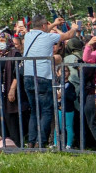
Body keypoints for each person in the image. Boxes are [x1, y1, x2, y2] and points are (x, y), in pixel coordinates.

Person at [20, 15, 77, 147]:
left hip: (28, 77)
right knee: (46, 111)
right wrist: (74, 28)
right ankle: (41, 142)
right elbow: (68, 36)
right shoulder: (49, 37)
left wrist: (53, 24)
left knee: (34, 111)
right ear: (45, 25)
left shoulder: (28, 36)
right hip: (43, 78)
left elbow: (41, 31)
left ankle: (31, 142)